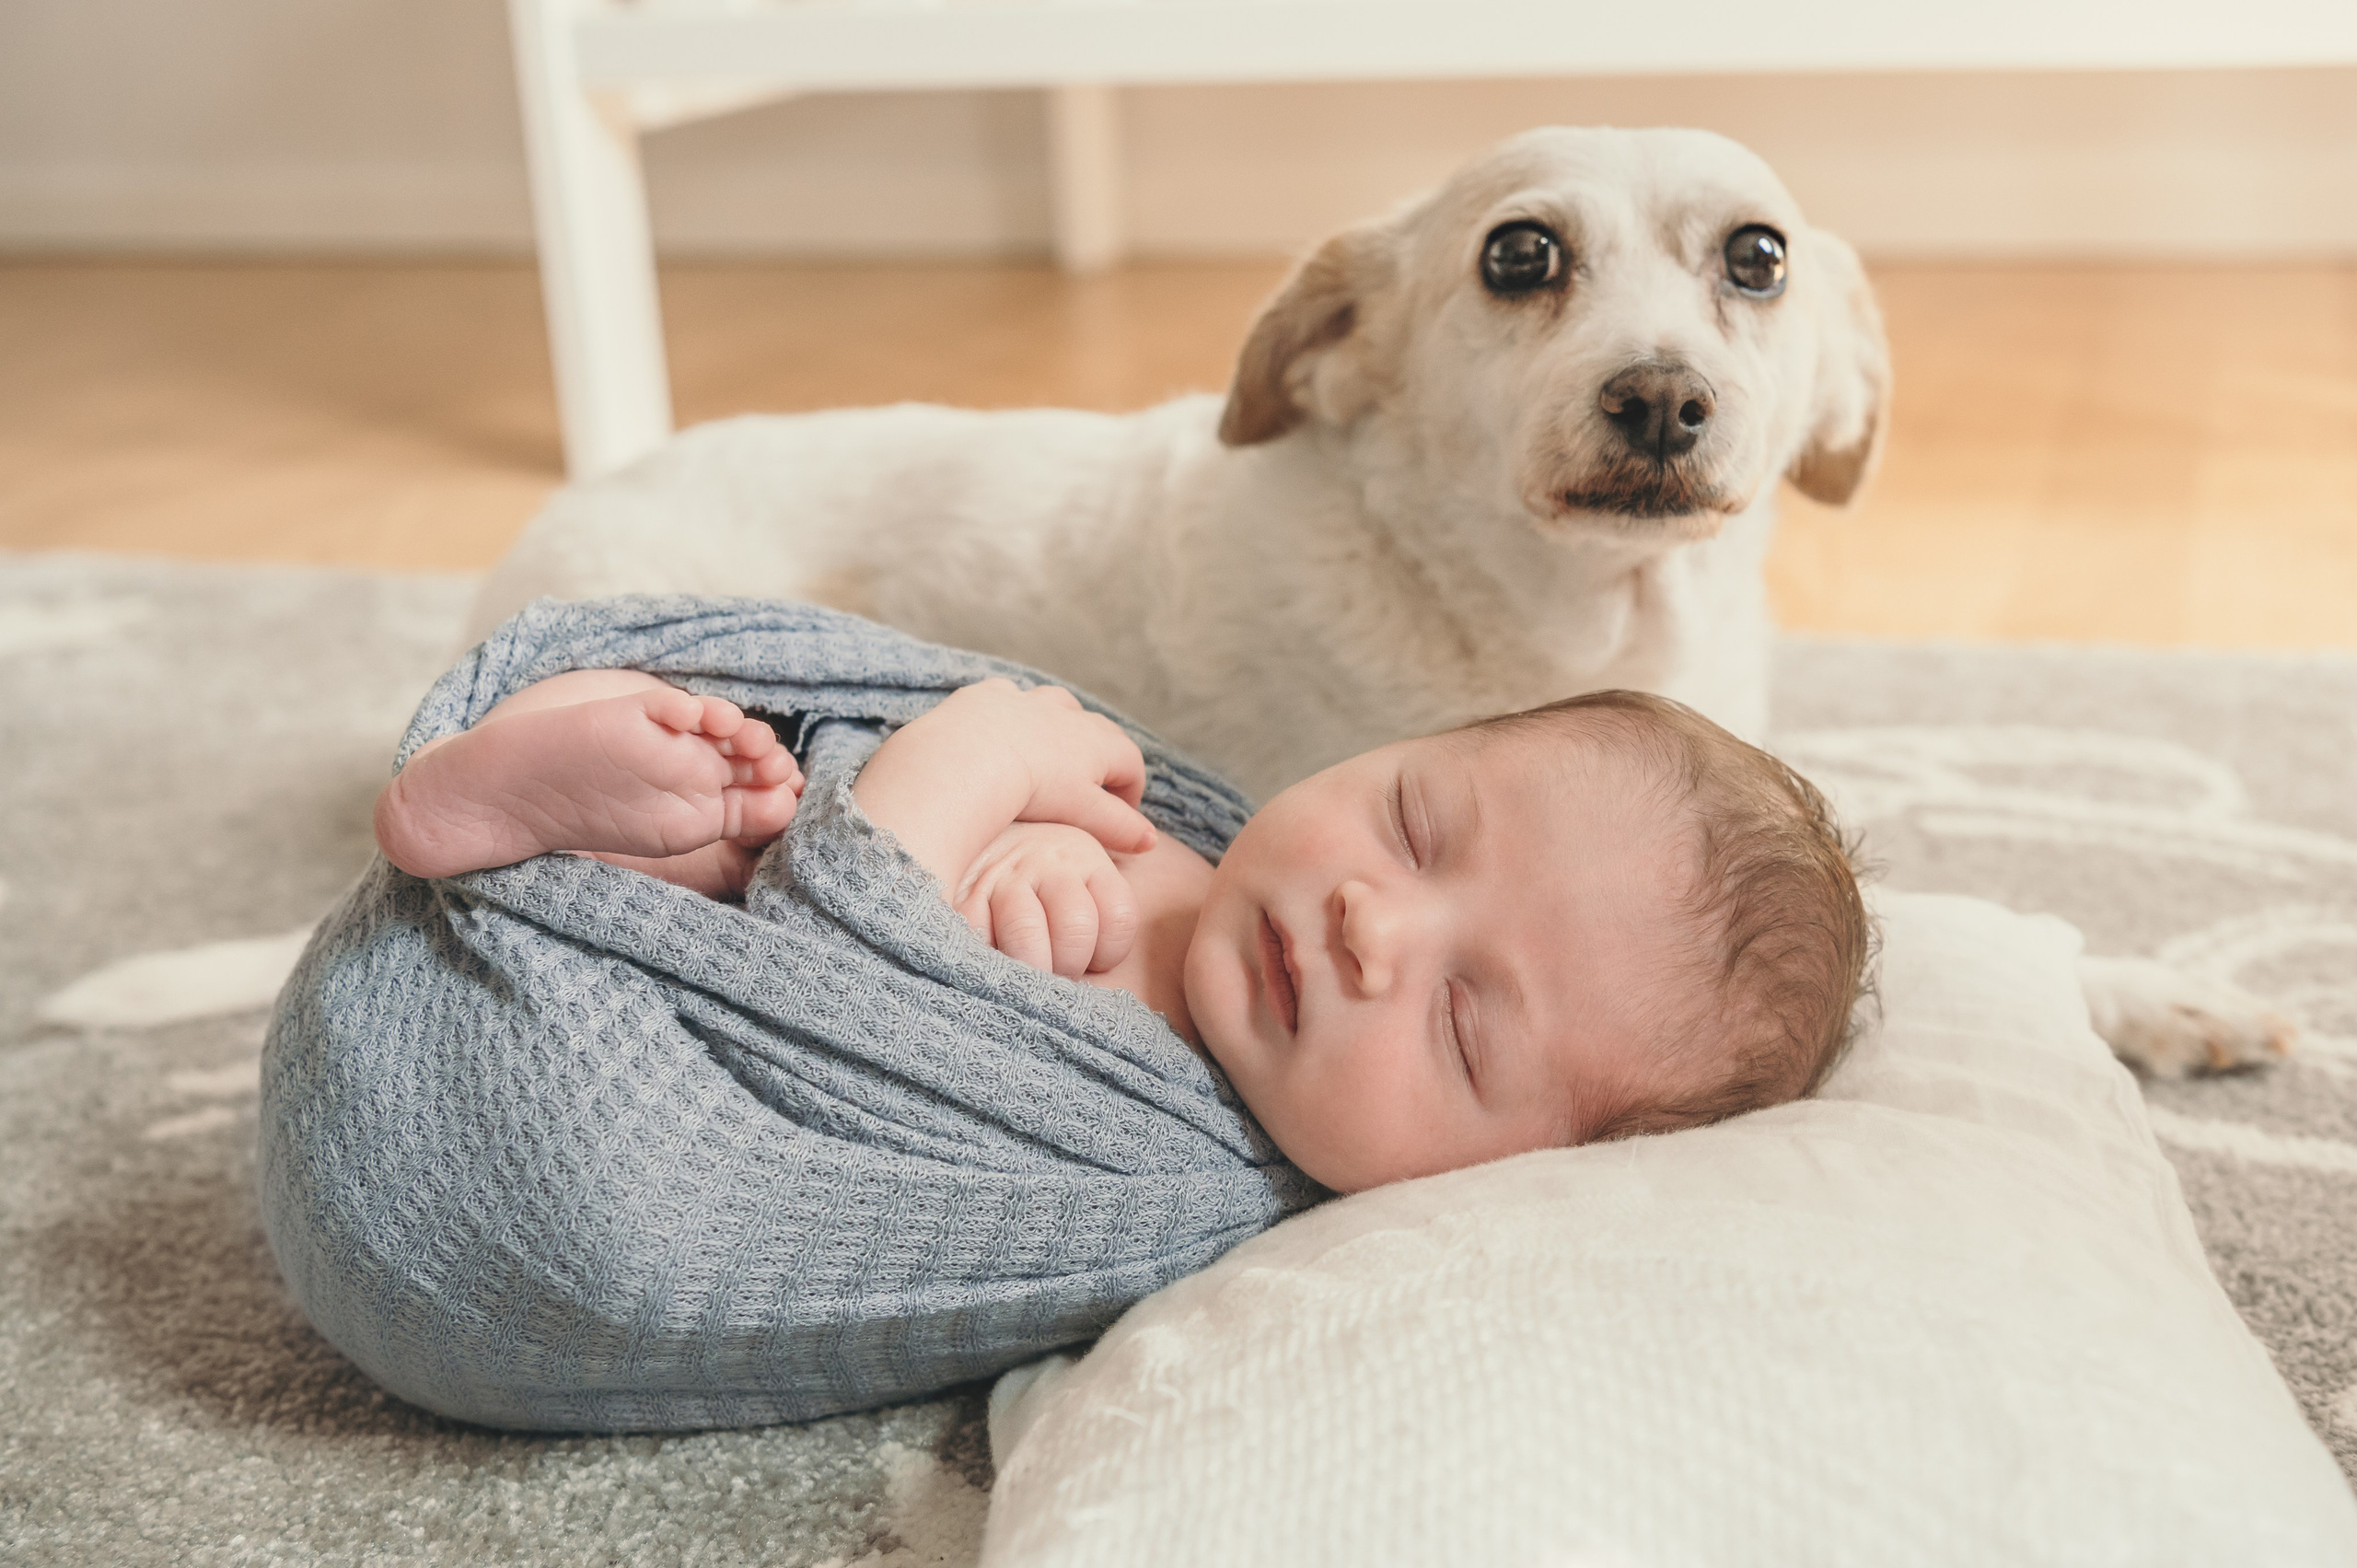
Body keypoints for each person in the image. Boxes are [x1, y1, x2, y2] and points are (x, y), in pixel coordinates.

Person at [372, 667, 1869, 1194]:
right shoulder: (1186, 832)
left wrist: (963, 814)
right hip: (783, 848)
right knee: (700, 773)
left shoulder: (1175, 1147)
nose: (1370, 924)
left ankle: (517, 817)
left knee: (712, 870)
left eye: (1464, 1023)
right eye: (1415, 826)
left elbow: (861, 1042)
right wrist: (1018, 825)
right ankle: (524, 773)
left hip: (735, 1017)